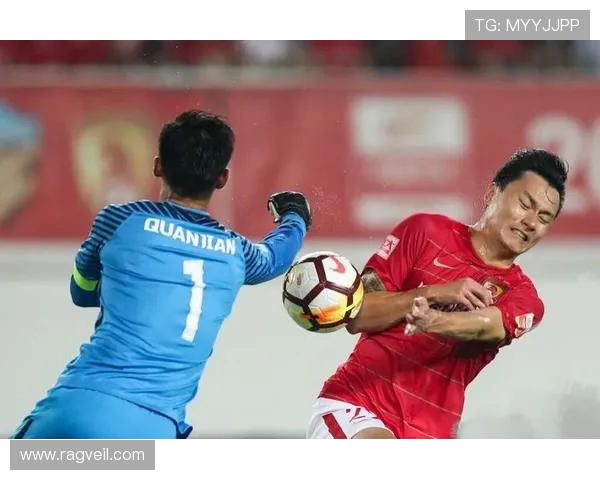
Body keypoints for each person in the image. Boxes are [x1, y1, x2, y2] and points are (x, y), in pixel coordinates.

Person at [11, 110, 312, 440]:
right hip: (155, 427)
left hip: (80, 404)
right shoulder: (236, 253)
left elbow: (81, 292)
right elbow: (275, 258)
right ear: (222, 179)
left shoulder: (117, 221)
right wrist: (295, 216)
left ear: (157, 166)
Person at [306, 148, 567, 439]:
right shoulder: (423, 231)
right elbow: (357, 316)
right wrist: (431, 294)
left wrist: (434, 321)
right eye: (524, 204)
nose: (531, 222)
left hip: (430, 434)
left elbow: (488, 327)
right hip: (356, 405)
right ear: (492, 193)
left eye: (544, 217)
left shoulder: (523, 297)